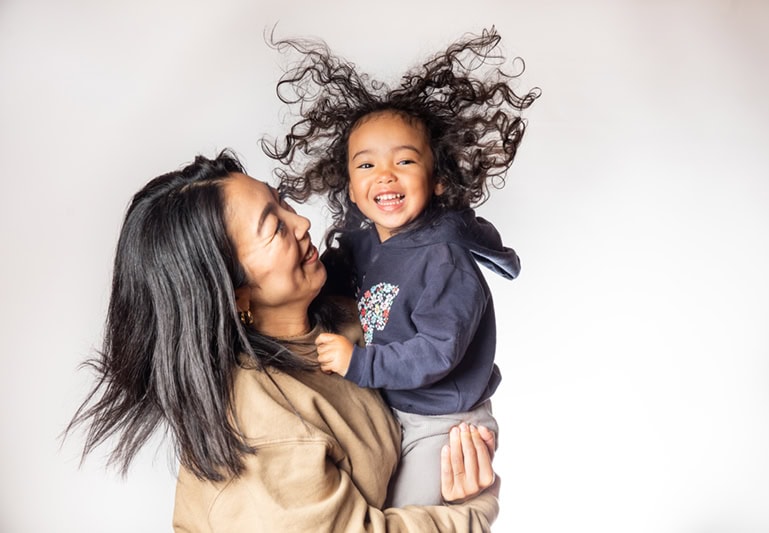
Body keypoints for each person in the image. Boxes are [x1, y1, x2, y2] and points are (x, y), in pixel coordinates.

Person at [64, 151, 500, 532]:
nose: (303, 222)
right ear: (234, 293)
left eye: (282, 202)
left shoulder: (347, 319)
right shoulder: (265, 426)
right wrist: (473, 508)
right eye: (274, 228)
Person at [261, 27, 540, 506]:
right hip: (394, 408)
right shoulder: (366, 245)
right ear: (349, 186)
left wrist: (358, 363)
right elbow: (328, 282)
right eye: (366, 166)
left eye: (405, 161)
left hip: (443, 424)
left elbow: (437, 353)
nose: (385, 175)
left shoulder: (444, 260)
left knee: (402, 516)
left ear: (436, 181)